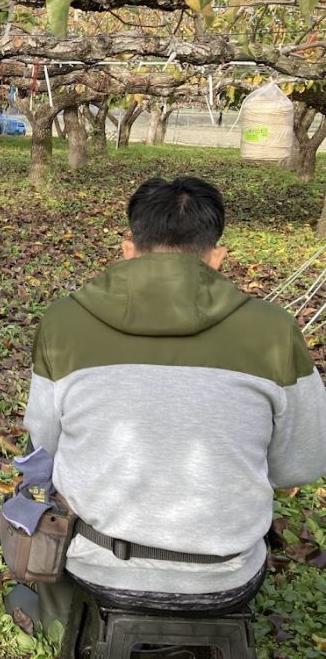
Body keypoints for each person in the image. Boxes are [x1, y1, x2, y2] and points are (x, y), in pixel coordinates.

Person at [23, 176, 326, 631]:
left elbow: (43, 444)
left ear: (128, 249)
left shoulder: (64, 321)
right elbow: (301, 466)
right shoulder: (275, 331)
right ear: (217, 259)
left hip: (99, 566)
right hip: (228, 576)